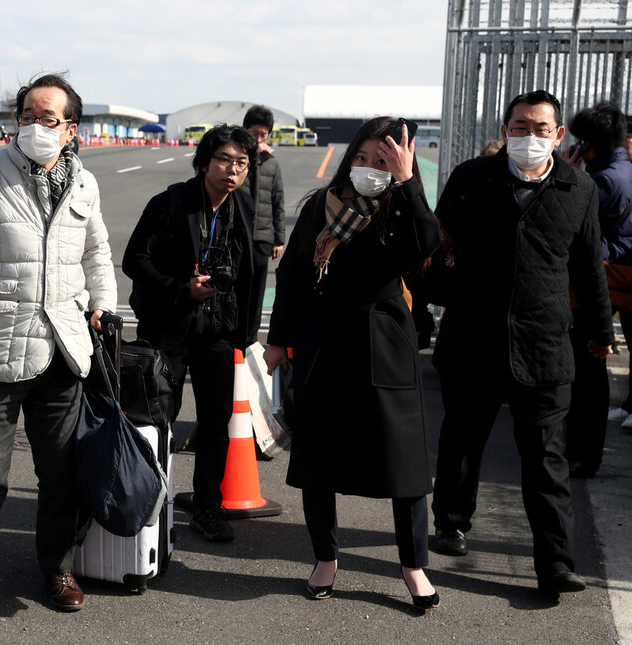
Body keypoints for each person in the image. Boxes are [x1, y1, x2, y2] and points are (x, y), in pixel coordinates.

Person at [0, 73, 117, 619]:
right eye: (27, 117)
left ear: (71, 128)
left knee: (61, 473)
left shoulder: (83, 182)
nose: (35, 127)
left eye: (48, 118)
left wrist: (103, 301)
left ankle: (56, 567)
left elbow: (97, 251)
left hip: (63, 349)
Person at [430, 90, 613, 599]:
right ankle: (451, 521)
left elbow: (587, 268)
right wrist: (437, 302)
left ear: (558, 136)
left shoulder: (579, 188)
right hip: (473, 339)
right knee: (463, 437)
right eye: (519, 126)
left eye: (539, 128)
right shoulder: (471, 179)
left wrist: (600, 331)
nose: (528, 136)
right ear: (505, 129)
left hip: (545, 344)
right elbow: (439, 249)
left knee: (547, 459)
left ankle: (555, 563)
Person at [263, 116, 441, 609]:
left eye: (380, 160)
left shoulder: (402, 206)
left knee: (403, 461)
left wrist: (406, 182)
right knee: (319, 456)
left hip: (385, 338)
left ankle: (413, 565)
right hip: (323, 339)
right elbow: (294, 274)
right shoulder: (323, 205)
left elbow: (426, 244)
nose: (368, 168)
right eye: (361, 158)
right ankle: (325, 557)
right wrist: (278, 339)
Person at [123, 124, 259, 543]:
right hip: (169, 322)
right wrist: (182, 286)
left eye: (241, 162)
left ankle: (208, 508)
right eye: (223, 159)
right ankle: (151, 504)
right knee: (158, 417)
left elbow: (251, 269)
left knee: (217, 420)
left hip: (217, 327)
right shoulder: (171, 203)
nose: (231, 170)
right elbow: (134, 260)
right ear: (204, 162)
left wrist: (246, 331)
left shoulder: (243, 207)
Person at [562, 102, 632, 475]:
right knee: (594, 370)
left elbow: (575, 228)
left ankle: (583, 455)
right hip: (617, 281)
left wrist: (567, 177)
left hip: (598, 284)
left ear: (587, 144)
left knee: (586, 374)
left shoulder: (601, 181)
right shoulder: (626, 171)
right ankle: (587, 454)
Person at [239, 105, 285, 324]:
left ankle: (251, 338)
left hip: (262, 238)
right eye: (253, 133)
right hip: (237, 235)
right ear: (245, 129)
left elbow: (278, 201)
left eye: (263, 134)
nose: (258, 138)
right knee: (235, 289)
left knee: (257, 293)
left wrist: (278, 239)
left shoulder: (272, 163)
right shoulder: (237, 159)